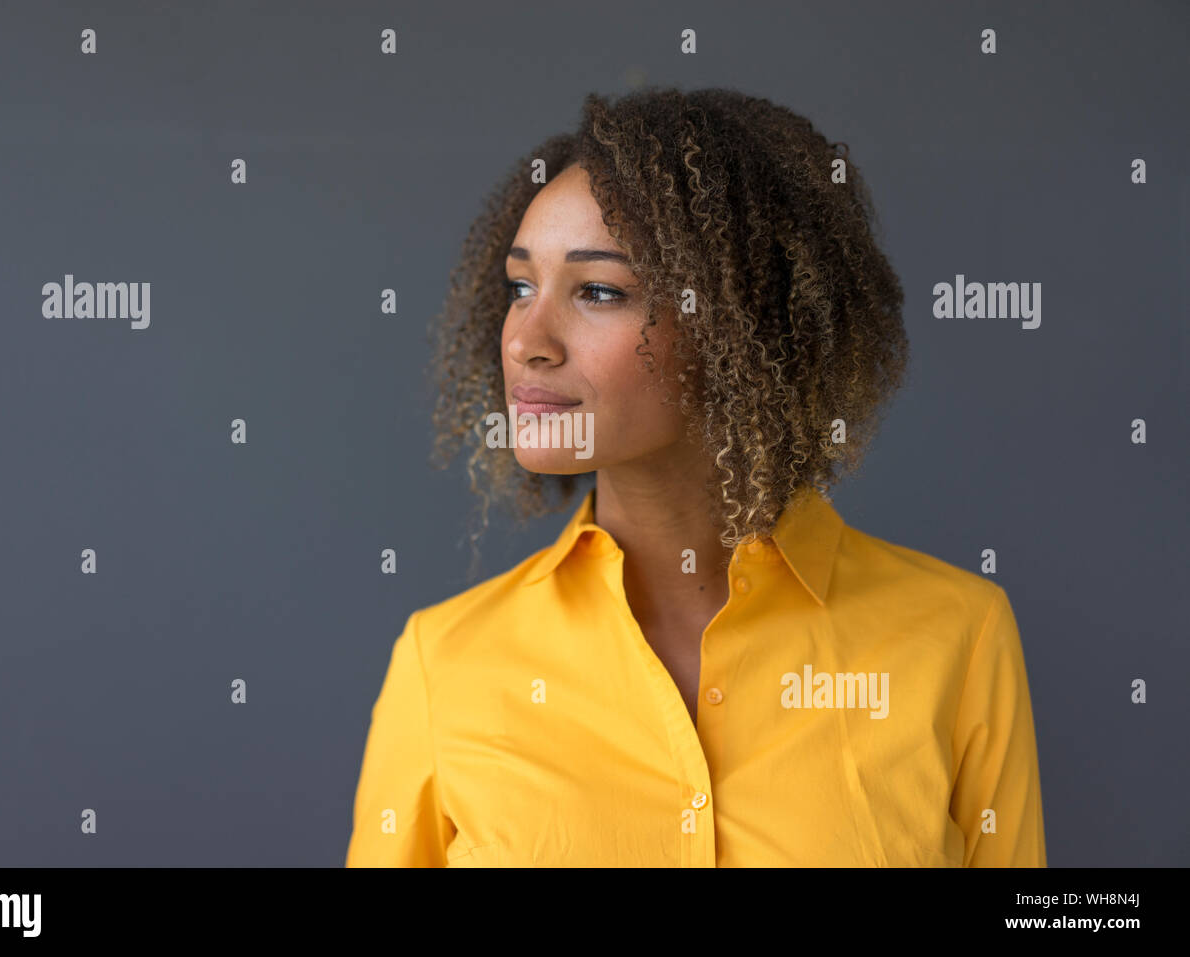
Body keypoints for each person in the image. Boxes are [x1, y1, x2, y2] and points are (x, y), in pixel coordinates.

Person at [345, 87, 1047, 867]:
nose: (524, 341)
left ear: (740, 326)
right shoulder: (444, 663)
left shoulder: (958, 634)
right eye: (519, 288)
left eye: (598, 291)